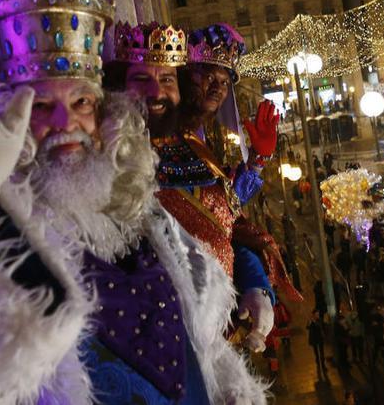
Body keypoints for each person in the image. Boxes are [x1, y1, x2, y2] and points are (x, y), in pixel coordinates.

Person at [0, 0, 267, 404]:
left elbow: (202, 336)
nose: (65, 122)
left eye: (82, 102)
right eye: (38, 107)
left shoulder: (143, 215)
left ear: (105, 114)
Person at [103, 22, 296, 353]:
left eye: (166, 79)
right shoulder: (106, 164)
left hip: (214, 336)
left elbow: (223, 223)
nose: (156, 92)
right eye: (140, 79)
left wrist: (255, 284)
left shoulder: (193, 145)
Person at [307, 310, 328, 375]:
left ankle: (323, 363)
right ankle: (318, 362)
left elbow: (320, 326)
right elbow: (307, 327)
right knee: (316, 351)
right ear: (313, 314)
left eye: (318, 314)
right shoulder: (311, 320)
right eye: (316, 314)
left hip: (320, 338)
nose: (317, 315)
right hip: (314, 338)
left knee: (322, 352)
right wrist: (310, 323)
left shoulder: (319, 320)